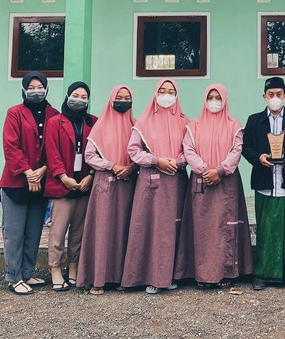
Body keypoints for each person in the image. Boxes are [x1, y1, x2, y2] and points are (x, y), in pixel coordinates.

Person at [175, 84, 253, 288]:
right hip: (201, 181)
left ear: (225, 99)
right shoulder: (194, 126)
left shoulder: (234, 125)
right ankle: (200, 272)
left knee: (225, 226)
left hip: (226, 182)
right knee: (202, 228)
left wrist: (219, 170)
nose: (214, 101)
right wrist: (204, 169)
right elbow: (188, 150)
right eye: (210, 96)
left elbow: (237, 150)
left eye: (218, 97)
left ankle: (225, 271)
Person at [121, 79, 188, 294]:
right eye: (162, 91)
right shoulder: (143, 122)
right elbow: (133, 151)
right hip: (151, 183)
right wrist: (156, 160)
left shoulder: (185, 122)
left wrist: (178, 162)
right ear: (155, 93)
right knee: (151, 227)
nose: (166, 95)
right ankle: (150, 275)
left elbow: (191, 149)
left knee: (173, 228)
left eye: (171, 91)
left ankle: (172, 274)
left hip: (177, 182)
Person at [242, 77, 285, 290]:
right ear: (264, 97)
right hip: (264, 182)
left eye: (279, 94)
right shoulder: (254, 121)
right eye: (271, 95)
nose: (275, 98)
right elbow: (246, 147)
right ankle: (262, 275)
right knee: (264, 229)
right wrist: (258, 157)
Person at [1, 72, 58, 295]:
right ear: (24, 89)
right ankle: (14, 277)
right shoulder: (14, 113)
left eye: (40, 86)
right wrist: (27, 172)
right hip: (16, 182)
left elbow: (54, 147)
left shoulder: (54, 114)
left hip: (40, 181)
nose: (36, 90)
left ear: (46, 88)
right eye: (31, 87)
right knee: (14, 232)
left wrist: (42, 171)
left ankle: (26, 273)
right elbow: (10, 145)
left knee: (33, 231)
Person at [77, 85, 136, 296]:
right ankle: (98, 279)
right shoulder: (100, 126)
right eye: (118, 97)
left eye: (127, 97)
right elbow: (90, 156)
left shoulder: (136, 125)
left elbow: (140, 152)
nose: (123, 101)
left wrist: (131, 167)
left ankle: (121, 277)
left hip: (128, 184)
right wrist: (113, 166)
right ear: (111, 100)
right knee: (103, 230)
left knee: (124, 229)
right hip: (105, 184)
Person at [44, 82, 97, 291]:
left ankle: (73, 267)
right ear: (67, 96)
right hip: (62, 185)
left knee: (78, 232)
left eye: (84, 97)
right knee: (58, 231)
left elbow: (98, 150)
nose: (80, 100)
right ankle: (55, 269)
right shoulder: (55, 121)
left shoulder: (93, 122)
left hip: (83, 184)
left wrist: (91, 176)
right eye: (76, 95)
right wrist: (62, 176)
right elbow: (52, 151)